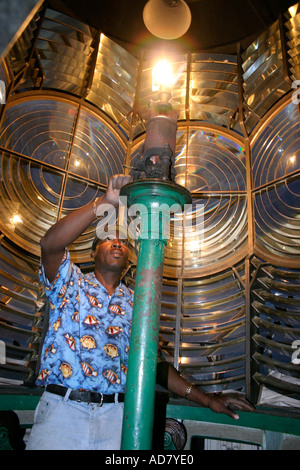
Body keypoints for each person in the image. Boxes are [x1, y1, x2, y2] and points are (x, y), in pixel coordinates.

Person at [26, 174, 254, 450]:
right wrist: (105, 202)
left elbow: (153, 366)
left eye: (123, 241)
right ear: (92, 253)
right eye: (107, 239)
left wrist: (207, 399)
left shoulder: (138, 302)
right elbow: (49, 245)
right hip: (63, 413)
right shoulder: (69, 283)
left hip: (117, 417)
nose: (117, 242)